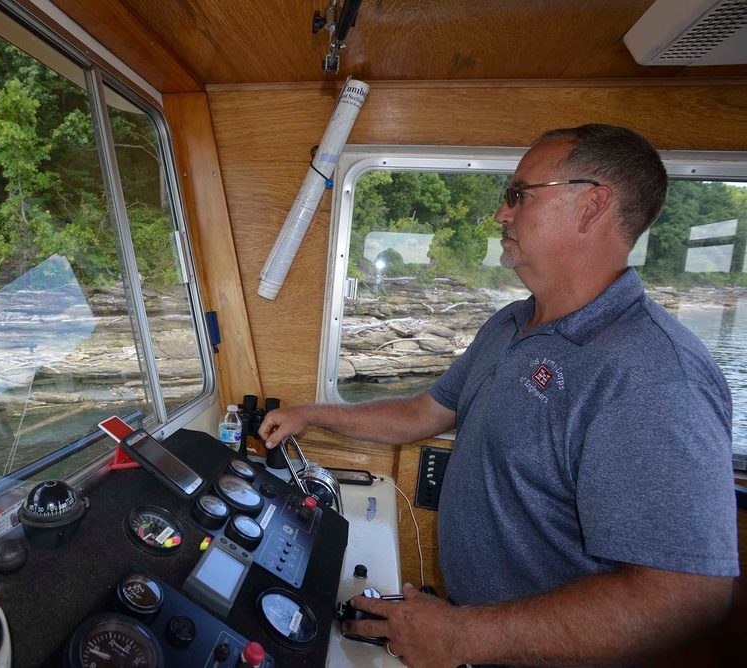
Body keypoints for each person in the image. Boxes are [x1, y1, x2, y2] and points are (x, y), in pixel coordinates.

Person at [258, 124, 739, 667]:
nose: (501, 213)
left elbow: (685, 598)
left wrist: (464, 635)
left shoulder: (652, 373)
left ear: (592, 206)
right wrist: (310, 414)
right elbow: (423, 411)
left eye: (519, 194)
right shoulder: (510, 323)